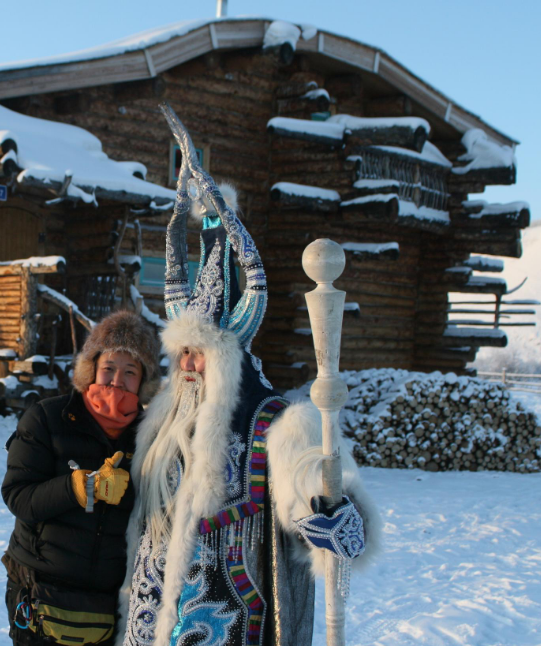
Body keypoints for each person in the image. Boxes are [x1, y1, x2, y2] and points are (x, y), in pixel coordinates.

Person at [116, 105, 380, 646]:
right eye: (182, 353)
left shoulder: (274, 422)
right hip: (151, 617)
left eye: (200, 354)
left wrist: (328, 513)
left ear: (230, 355)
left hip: (232, 618)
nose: (188, 366)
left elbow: (311, 475)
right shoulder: (161, 417)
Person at [2, 310, 162, 646]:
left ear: (143, 381)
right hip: (39, 589)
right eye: (108, 369)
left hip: (107, 601)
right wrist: (77, 486)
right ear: (91, 370)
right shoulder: (47, 418)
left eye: (130, 372)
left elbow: (157, 510)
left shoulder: (151, 437)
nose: (117, 381)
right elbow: (19, 497)